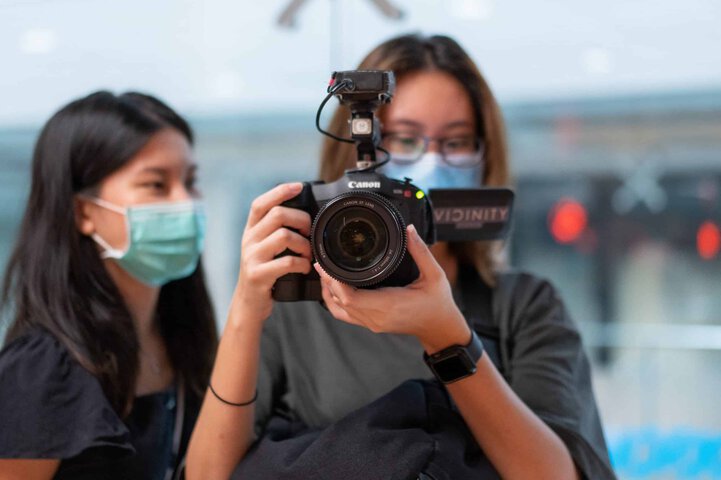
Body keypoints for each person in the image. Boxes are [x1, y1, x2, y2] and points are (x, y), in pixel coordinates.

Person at [186, 34, 616, 479]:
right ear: (355, 155)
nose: (432, 162)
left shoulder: (523, 306)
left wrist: (448, 337)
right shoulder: (296, 300)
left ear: (486, 155)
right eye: (404, 140)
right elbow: (206, 475)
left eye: (456, 142)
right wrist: (245, 309)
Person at [0, 91, 218, 479]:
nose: (185, 202)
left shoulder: (185, 340)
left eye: (190, 181)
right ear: (83, 211)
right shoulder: (39, 369)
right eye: (156, 184)